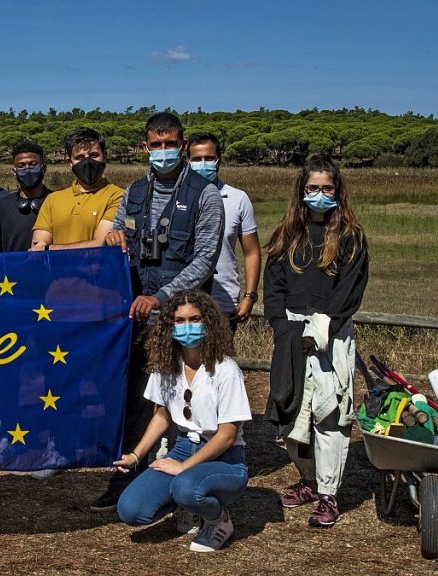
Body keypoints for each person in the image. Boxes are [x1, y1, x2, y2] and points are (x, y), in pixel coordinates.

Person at [96, 112, 225, 512]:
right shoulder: (134, 192)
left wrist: (164, 297)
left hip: (182, 316)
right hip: (137, 316)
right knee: (137, 400)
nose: (163, 152)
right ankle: (128, 478)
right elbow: (116, 236)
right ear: (145, 147)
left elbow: (204, 258)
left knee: (188, 399)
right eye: (156, 145)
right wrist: (114, 237)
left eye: (171, 145)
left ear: (183, 146)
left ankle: (195, 478)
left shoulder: (205, 195)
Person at [263, 156, 368, 528]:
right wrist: (280, 325)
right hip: (291, 332)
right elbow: (273, 287)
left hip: (330, 335)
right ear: (302, 191)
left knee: (329, 416)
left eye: (326, 188)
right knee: (289, 410)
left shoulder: (351, 237)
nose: (319, 195)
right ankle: (308, 479)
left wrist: (326, 323)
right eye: (313, 188)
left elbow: (350, 289)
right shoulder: (287, 235)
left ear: (337, 191)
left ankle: (328, 494)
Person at [115, 290, 250, 552]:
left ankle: (217, 520)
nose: (187, 327)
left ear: (208, 322)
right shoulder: (166, 364)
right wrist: (135, 455)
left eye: (195, 319)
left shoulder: (226, 369)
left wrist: (184, 467)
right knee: (130, 510)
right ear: (169, 325)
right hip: (182, 446)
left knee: (187, 487)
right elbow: (162, 415)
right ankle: (183, 505)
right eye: (179, 321)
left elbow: (227, 436)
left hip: (225, 457)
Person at [186, 132, 262, 329]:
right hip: (183, 300)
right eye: (197, 159)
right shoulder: (178, 198)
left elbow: (252, 251)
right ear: (188, 160)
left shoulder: (238, 198)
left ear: (219, 160)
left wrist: (250, 295)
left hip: (223, 301)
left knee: (221, 359)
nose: (203, 164)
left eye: (209, 158)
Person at [30, 128, 123, 251]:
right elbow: (37, 247)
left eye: (93, 155)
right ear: (70, 162)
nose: (87, 161)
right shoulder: (53, 199)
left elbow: (101, 244)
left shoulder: (118, 196)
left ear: (104, 157)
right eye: (80, 157)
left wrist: (49, 249)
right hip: (59, 270)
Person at [0, 140, 52, 252]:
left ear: (43, 168)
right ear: (14, 171)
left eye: (33, 164)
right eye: (21, 166)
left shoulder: (57, 202)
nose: (28, 169)